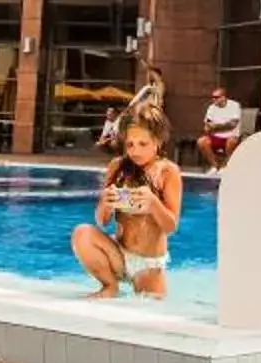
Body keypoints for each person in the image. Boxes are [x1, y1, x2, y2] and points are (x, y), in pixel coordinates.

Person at [72, 114, 182, 301]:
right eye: (130, 144)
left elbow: (171, 227)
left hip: (148, 264)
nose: (135, 151)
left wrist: (153, 204)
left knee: (152, 310)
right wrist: (106, 203)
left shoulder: (168, 171)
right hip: (119, 254)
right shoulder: (117, 167)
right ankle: (110, 285)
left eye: (143, 144)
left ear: (157, 142)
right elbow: (102, 222)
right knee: (82, 233)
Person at [199, 85, 246, 168]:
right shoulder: (211, 108)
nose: (213, 99)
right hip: (215, 136)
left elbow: (232, 125)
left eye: (216, 97)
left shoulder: (234, 106)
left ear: (223, 97)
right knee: (202, 141)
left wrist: (215, 126)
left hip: (231, 136)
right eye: (212, 97)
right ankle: (215, 166)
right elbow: (207, 127)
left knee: (232, 142)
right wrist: (223, 125)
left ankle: (226, 167)